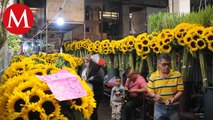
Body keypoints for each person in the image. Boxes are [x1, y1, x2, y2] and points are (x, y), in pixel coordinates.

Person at [147, 53, 184, 120]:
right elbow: (150, 91)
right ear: (158, 64)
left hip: (173, 107)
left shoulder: (177, 75)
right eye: (164, 64)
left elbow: (180, 91)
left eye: (168, 64)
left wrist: (174, 98)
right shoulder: (153, 76)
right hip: (159, 107)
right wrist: (155, 96)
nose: (167, 66)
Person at [85, 54, 105, 120]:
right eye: (85, 62)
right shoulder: (89, 69)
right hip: (93, 92)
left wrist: (90, 80)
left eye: (87, 62)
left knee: (93, 110)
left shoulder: (98, 69)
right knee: (92, 110)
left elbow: (101, 79)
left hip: (97, 92)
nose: (85, 64)